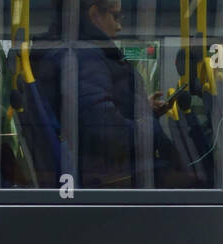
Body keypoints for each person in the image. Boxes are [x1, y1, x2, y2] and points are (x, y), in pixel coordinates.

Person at [70, 0, 176, 188]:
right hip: (120, 175)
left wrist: (143, 107)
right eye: (115, 16)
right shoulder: (87, 57)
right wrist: (148, 124)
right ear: (94, 14)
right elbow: (107, 132)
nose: (119, 26)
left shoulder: (97, 54)